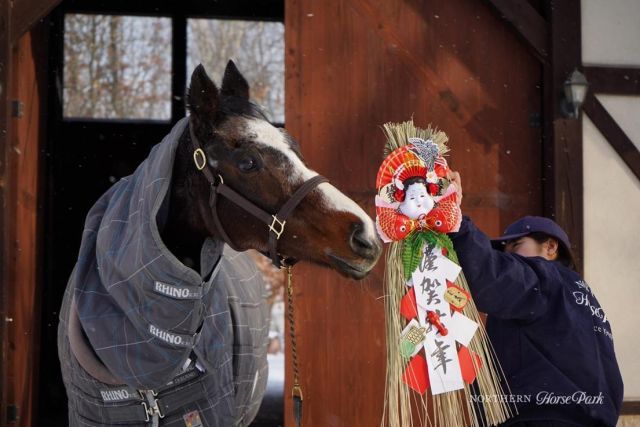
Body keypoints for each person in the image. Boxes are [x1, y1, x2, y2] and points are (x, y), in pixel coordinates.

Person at [446, 171, 623, 427]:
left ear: (550, 248)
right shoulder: (585, 300)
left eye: (516, 246)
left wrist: (455, 222)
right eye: (505, 252)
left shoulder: (544, 278)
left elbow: (489, 277)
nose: (510, 257)